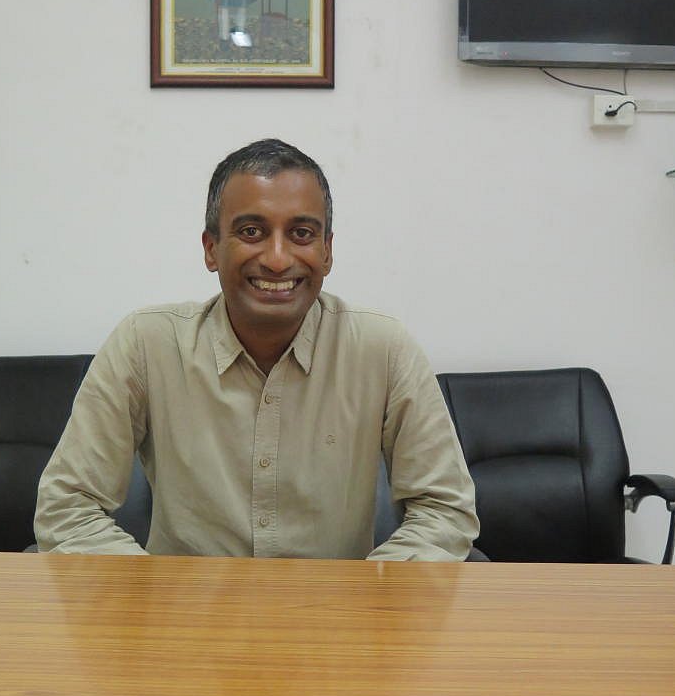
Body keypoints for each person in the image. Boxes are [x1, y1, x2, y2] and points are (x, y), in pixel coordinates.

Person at [35, 140, 479, 560]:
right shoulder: (146, 344)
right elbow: (68, 508)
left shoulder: (383, 349)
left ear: (327, 252)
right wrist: (155, 595)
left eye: (302, 234)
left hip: (335, 626)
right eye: (252, 231)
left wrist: (370, 599)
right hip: (182, 625)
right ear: (211, 249)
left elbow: (443, 510)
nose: (278, 258)